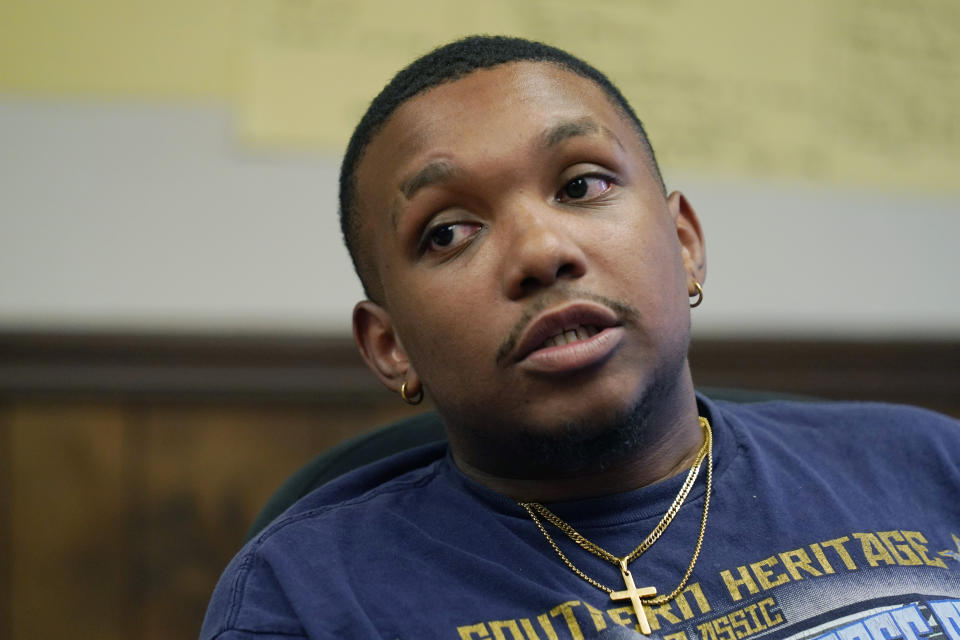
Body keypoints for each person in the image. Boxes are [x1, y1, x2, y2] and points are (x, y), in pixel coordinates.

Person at [201, 36, 960, 640]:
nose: (540, 253)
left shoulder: (930, 468)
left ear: (684, 241)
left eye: (582, 185)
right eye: (449, 232)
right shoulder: (306, 596)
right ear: (390, 346)